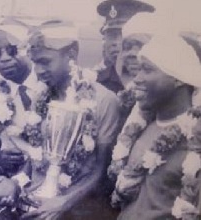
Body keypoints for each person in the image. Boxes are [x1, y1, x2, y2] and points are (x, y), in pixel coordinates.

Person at [21, 22, 121, 219]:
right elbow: (35, 154)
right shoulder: (40, 96)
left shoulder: (104, 100)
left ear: (72, 54)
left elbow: (101, 172)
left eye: (45, 61)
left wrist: (63, 203)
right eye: (34, 63)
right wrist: (21, 182)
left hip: (77, 210)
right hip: (35, 204)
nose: (38, 71)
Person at [109, 34, 201, 220]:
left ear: (178, 79)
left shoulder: (196, 137)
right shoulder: (140, 123)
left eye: (147, 70)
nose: (137, 78)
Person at [95, 0, 154, 93]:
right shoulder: (97, 81)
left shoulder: (157, 80)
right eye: (111, 35)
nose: (116, 42)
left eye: (122, 34)